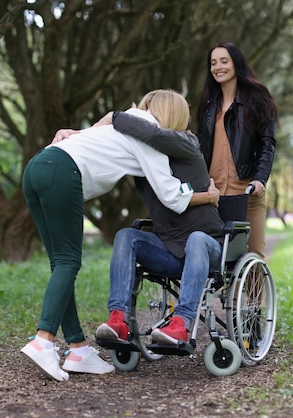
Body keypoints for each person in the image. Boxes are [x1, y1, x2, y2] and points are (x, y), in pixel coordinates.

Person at [21, 90, 220, 382]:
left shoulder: (126, 121)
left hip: (38, 166)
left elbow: (111, 119)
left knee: (60, 265)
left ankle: (77, 349)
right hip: (64, 173)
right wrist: (209, 196)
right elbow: (172, 198)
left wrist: (78, 132)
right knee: (67, 263)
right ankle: (43, 341)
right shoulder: (148, 137)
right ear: (174, 116)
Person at [95, 94, 224, 346]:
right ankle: (118, 318)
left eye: (150, 111)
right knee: (126, 236)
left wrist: (115, 117)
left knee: (197, 239)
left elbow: (153, 135)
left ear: (167, 113)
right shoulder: (144, 156)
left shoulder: (187, 142)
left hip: (208, 248)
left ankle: (182, 323)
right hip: (171, 250)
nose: (144, 117)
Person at [195, 41, 278, 260]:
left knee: (252, 256)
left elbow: (267, 144)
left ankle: (254, 295)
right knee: (214, 259)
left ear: (236, 64)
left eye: (224, 61)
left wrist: (260, 179)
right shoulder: (208, 103)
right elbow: (202, 145)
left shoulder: (258, 98)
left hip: (247, 192)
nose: (218, 67)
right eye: (213, 63)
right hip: (213, 194)